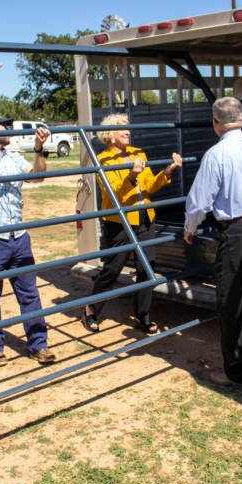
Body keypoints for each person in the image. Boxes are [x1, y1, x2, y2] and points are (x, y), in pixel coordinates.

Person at [0, 50, 56, 367]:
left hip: (18, 234)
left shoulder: (13, 157)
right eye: (3, 125)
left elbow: (38, 178)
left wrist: (39, 148)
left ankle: (39, 344)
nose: (9, 129)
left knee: (29, 292)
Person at [184, 96, 242, 386]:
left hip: (237, 230)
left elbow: (200, 200)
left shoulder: (217, 154)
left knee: (233, 300)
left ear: (215, 123)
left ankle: (235, 371)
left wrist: (190, 227)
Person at [82, 113, 183, 334]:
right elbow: (115, 193)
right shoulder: (104, 160)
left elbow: (149, 186)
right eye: (122, 128)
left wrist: (168, 171)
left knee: (147, 267)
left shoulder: (138, 153)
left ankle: (142, 314)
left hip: (144, 217)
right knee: (113, 269)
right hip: (119, 222)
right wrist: (131, 176)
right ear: (110, 134)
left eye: (128, 128)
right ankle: (91, 308)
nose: (128, 131)